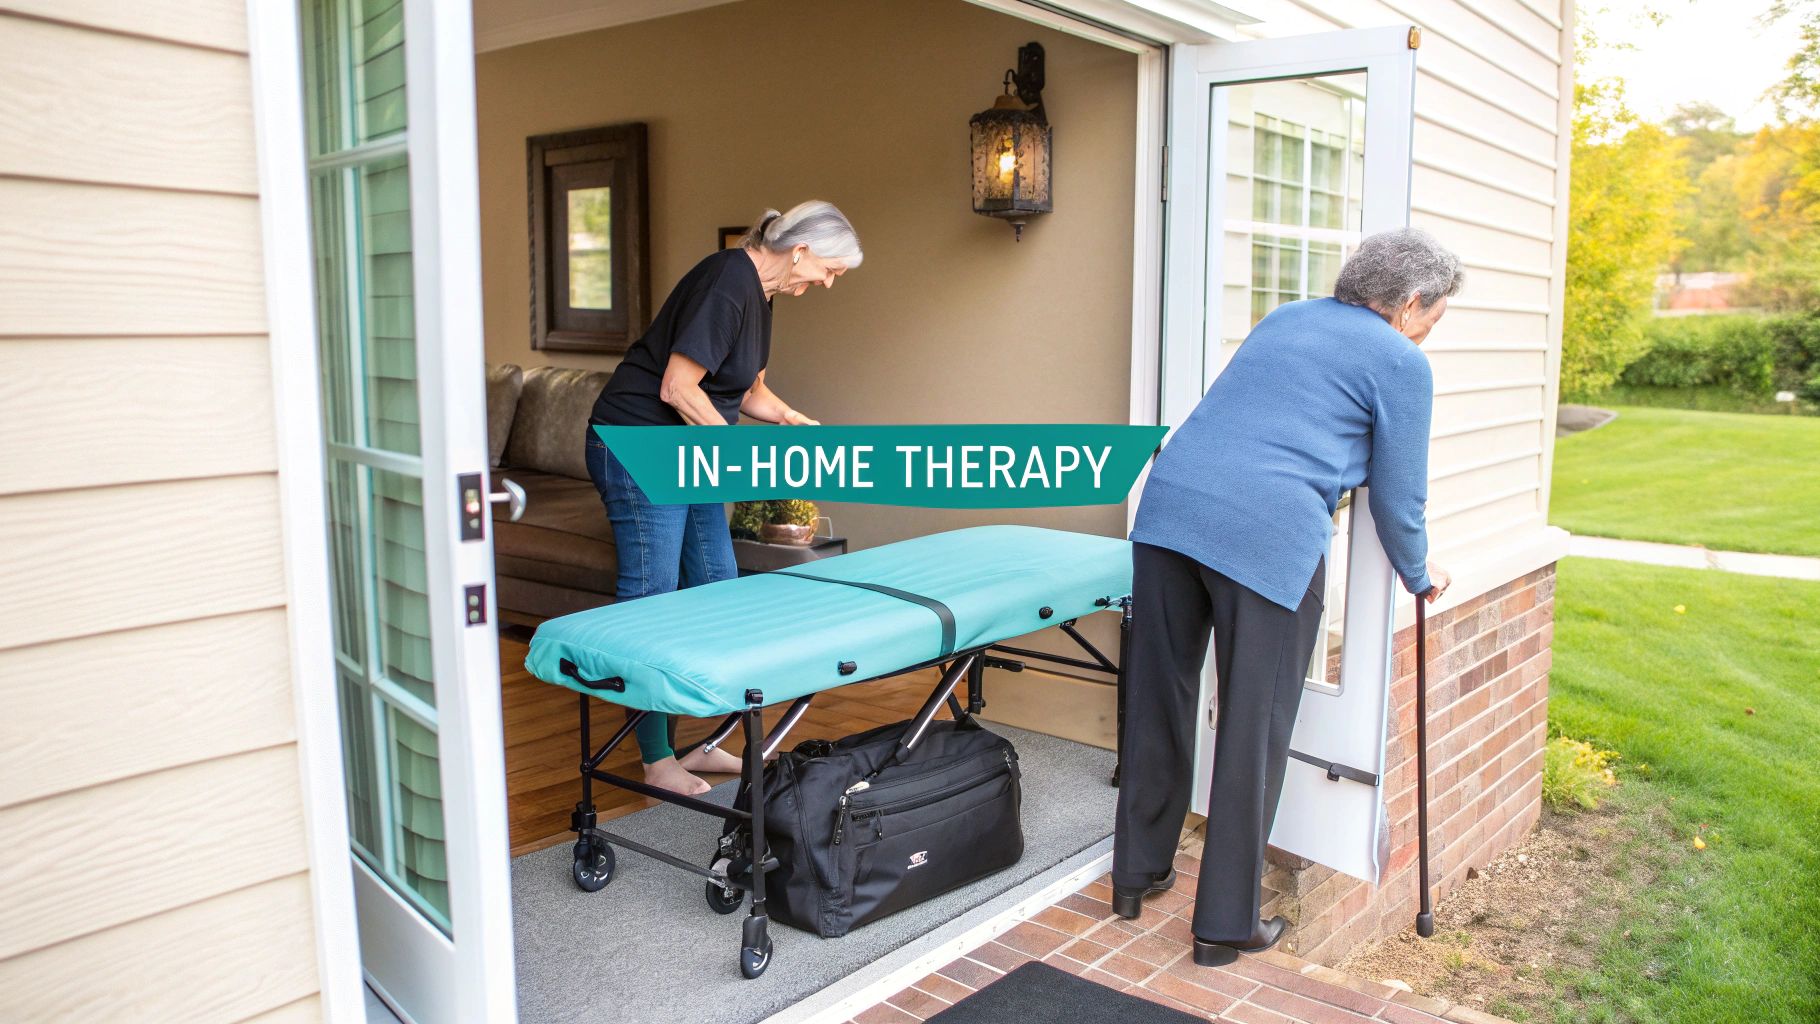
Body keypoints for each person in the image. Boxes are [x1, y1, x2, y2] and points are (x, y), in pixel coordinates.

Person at [1113, 228, 1462, 966]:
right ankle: (1224, 925)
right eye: (1436, 314)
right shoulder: (1401, 360)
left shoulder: (1287, 318)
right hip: (1266, 537)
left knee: (1157, 697)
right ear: (1409, 303)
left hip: (1170, 509)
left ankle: (1134, 875)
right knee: (1252, 725)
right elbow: (1399, 495)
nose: (1433, 329)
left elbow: (1267, 418)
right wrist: (1420, 570)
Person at [585, 200, 862, 795]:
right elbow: (677, 386)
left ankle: (705, 744)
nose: (830, 282)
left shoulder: (760, 294)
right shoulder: (726, 281)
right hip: (641, 448)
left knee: (718, 589)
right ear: (801, 251)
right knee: (652, 603)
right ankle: (657, 759)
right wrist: (733, 456)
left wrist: (788, 417)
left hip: (689, 452)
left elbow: (745, 388)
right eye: (831, 269)